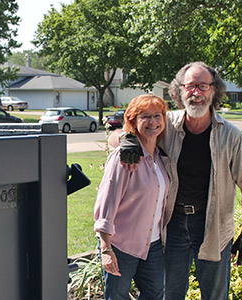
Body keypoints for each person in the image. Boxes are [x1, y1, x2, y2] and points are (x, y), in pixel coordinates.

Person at [113, 62, 242, 300]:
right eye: (190, 86)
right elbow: (116, 135)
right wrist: (127, 138)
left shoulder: (231, 135)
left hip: (213, 226)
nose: (196, 93)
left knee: (215, 295)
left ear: (214, 90)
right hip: (173, 225)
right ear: (179, 91)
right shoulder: (165, 125)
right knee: (170, 294)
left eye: (203, 86)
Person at [94, 94, 170, 300]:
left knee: (156, 295)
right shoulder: (125, 156)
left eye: (157, 115)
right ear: (133, 121)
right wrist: (106, 249)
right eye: (144, 117)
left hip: (152, 245)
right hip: (121, 245)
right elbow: (107, 203)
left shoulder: (160, 157)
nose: (152, 122)